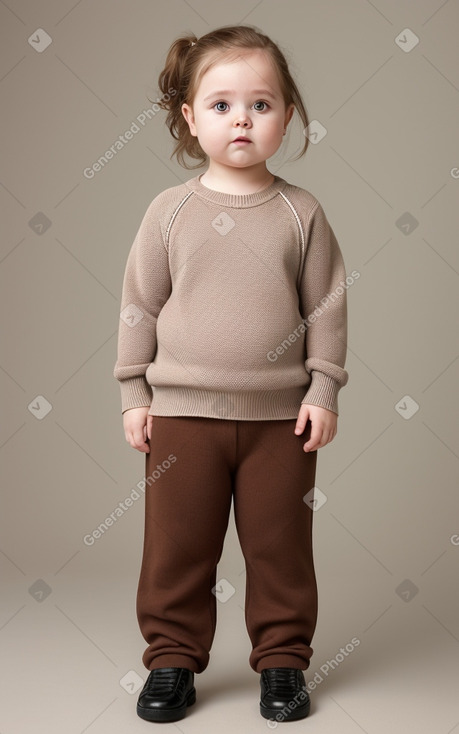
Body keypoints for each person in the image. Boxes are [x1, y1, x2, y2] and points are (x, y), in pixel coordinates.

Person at [113, 23, 349, 724]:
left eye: (261, 103)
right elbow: (138, 305)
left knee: (279, 547)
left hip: (281, 422)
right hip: (182, 416)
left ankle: (282, 664)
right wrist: (134, 392)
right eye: (219, 105)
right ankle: (171, 662)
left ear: (287, 115)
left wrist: (324, 387)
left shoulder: (300, 213)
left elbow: (327, 306)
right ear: (189, 117)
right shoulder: (169, 212)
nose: (241, 118)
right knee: (177, 548)